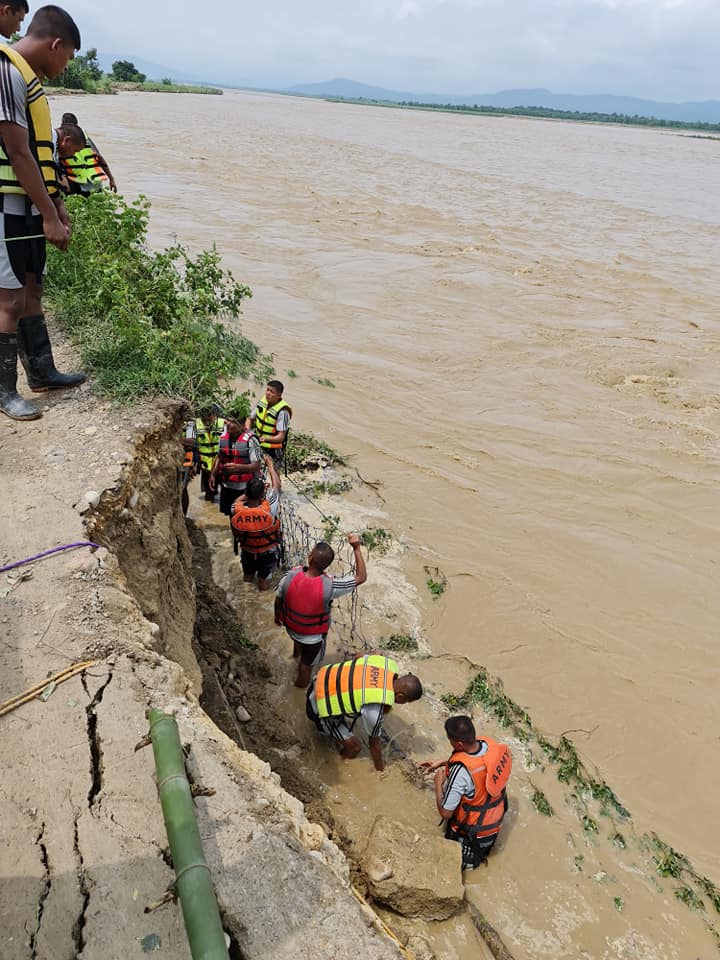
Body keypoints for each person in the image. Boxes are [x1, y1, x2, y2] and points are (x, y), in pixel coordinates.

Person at [0, 5, 85, 421]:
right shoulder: (6, 71)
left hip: (30, 205)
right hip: (7, 206)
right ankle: (3, 391)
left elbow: (41, 156)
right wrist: (49, 216)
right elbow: (17, 152)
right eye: (67, 56)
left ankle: (42, 371)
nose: (67, 66)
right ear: (55, 44)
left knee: (33, 288)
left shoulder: (27, 80)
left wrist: (56, 206)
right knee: (9, 299)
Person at [419, 715, 512, 870]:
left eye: (450, 740)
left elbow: (446, 813)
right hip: (491, 828)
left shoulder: (461, 772)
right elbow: (478, 768)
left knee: (445, 864)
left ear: (459, 744)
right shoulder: (489, 746)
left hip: (470, 839)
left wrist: (437, 783)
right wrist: (444, 763)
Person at [275, 535, 367, 688]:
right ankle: (299, 689)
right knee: (306, 666)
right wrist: (356, 548)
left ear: (310, 557)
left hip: (291, 628)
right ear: (327, 565)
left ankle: (295, 656)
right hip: (312, 638)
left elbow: (278, 599)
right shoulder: (331, 585)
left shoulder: (290, 575)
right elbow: (361, 577)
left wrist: (276, 617)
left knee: (298, 642)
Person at [306, 653, 422, 772]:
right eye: (406, 702)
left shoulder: (386, 663)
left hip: (319, 678)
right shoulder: (375, 710)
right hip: (318, 704)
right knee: (355, 748)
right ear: (401, 696)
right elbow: (374, 746)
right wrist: (380, 770)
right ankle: (334, 763)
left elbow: (358, 656)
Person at [230, 454, 282, 590]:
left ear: (246, 492)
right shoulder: (269, 507)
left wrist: (249, 492)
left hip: (247, 551)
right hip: (267, 553)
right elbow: (277, 486)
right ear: (262, 495)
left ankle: (246, 595)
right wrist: (270, 466)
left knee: (247, 578)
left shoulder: (236, 509)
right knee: (264, 584)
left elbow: (237, 501)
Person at [209, 416, 262, 516]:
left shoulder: (252, 440)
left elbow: (257, 466)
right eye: (227, 420)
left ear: (241, 425)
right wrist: (213, 474)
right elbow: (219, 457)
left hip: (245, 488)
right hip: (227, 485)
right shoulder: (223, 437)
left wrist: (239, 468)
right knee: (229, 514)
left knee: (242, 515)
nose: (228, 423)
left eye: (232, 421)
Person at [58, 111, 116, 192]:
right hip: (94, 182)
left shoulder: (60, 140)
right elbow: (99, 158)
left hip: (76, 184)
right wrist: (111, 179)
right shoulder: (85, 138)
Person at [250, 379, 291, 465]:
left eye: (272, 392)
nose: (268, 393)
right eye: (267, 390)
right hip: (258, 443)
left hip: (273, 449)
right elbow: (249, 419)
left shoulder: (283, 412)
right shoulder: (263, 402)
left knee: (273, 471)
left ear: (279, 395)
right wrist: (247, 431)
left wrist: (265, 439)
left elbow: (281, 437)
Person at [193, 407, 225, 501]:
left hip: (221, 464)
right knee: (209, 494)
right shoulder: (195, 424)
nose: (207, 419)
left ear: (214, 415)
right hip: (205, 464)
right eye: (204, 416)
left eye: (209, 416)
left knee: (225, 493)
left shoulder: (223, 423)